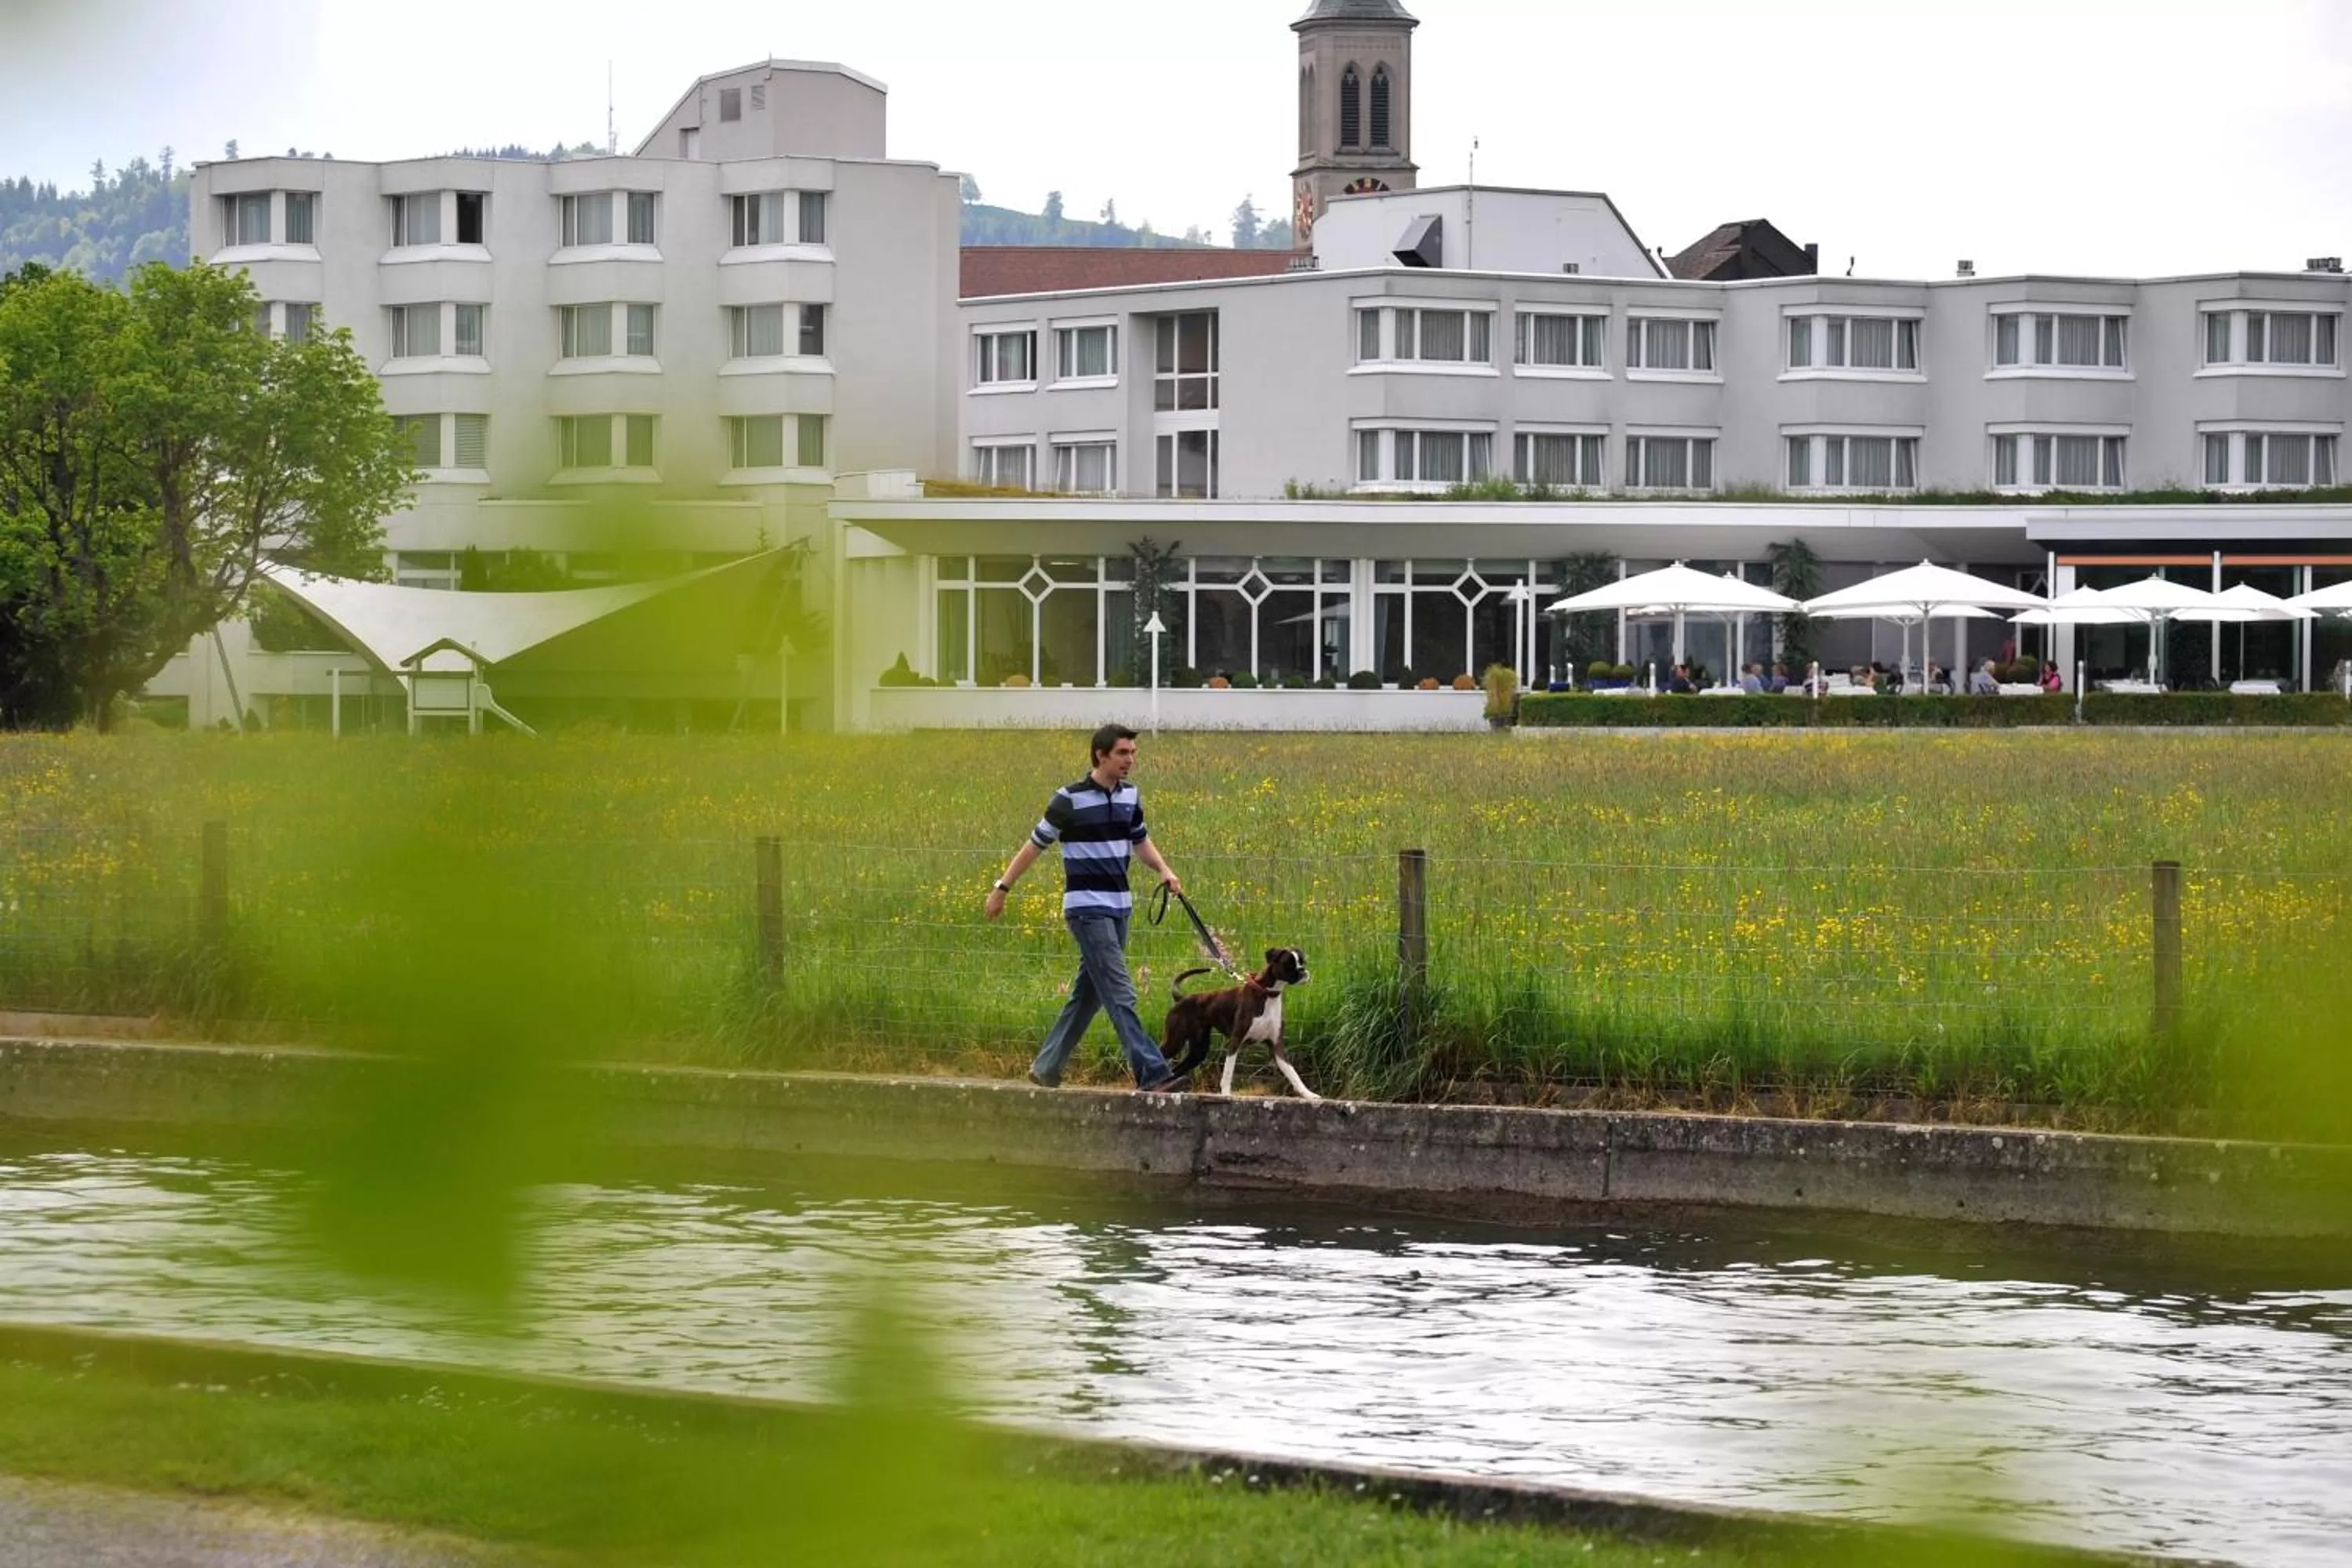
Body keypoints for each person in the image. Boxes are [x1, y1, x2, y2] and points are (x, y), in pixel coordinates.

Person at [986, 724, 1180, 1093]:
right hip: (1087, 909)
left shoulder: (1130, 796)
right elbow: (1034, 846)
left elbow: (1140, 841)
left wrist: (1164, 870)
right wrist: (1002, 888)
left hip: (1120, 907)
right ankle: (1153, 1074)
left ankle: (1047, 1067)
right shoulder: (1069, 799)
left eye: (1133, 753)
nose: (1130, 760)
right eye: (1122, 753)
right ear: (1100, 755)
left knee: (1088, 995)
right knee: (1120, 992)